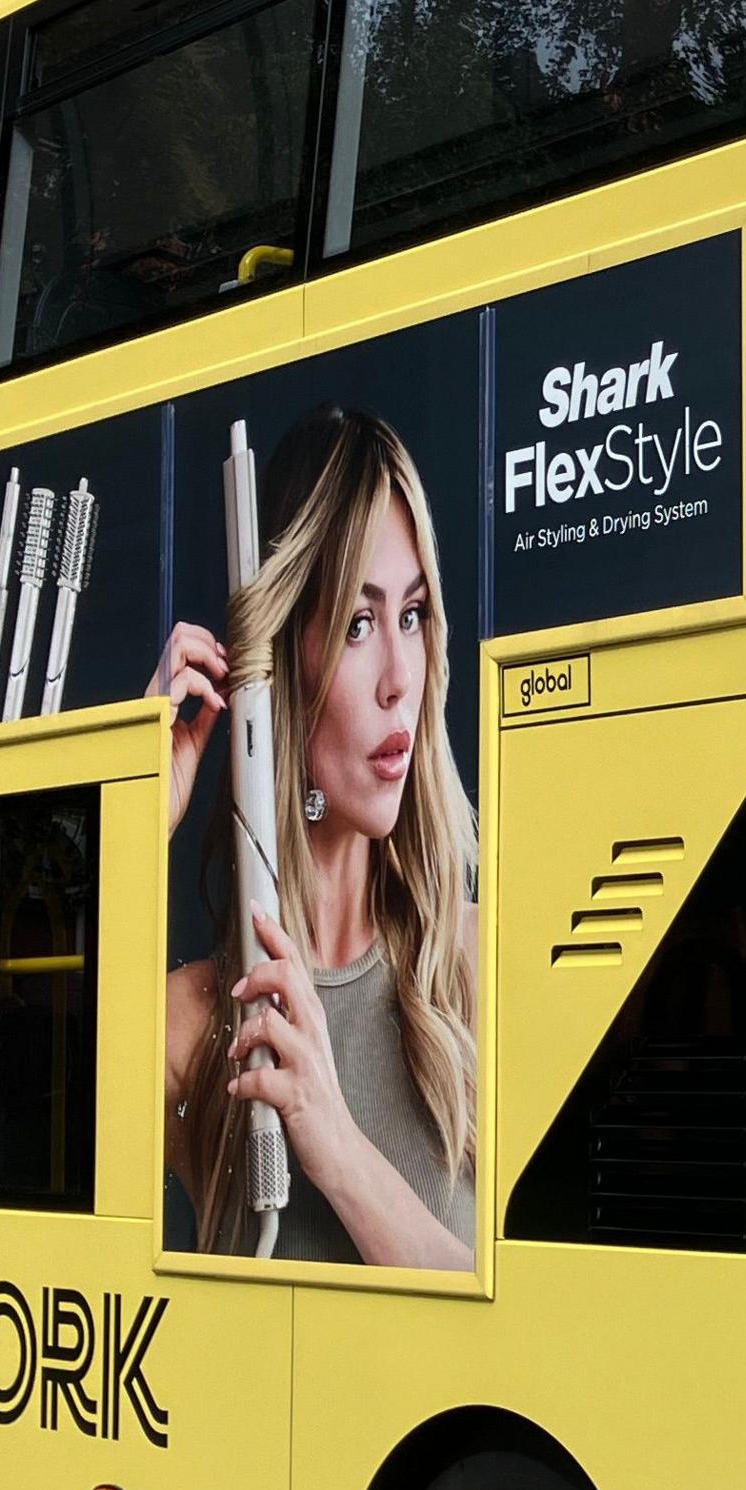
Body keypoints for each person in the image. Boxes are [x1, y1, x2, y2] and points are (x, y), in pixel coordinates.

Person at [150, 407, 479, 1269]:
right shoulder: (193, 1024)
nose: (400, 681)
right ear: (282, 668)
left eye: (412, 616)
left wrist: (332, 1142)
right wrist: (135, 814)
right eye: (359, 625)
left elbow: (539, 1337)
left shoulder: (476, 969)